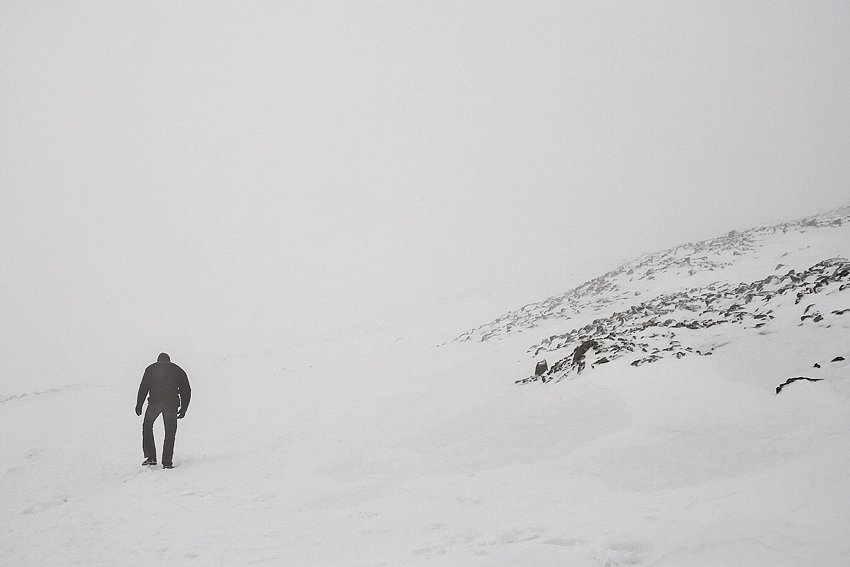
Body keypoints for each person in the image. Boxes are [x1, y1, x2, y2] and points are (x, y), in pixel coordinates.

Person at [136, 352, 191, 469]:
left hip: (155, 402)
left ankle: (151, 457)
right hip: (171, 404)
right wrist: (184, 408)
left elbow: (143, 387)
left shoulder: (151, 369)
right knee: (170, 432)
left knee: (147, 426)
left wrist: (139, 404)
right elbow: (186, 389)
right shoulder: (177, 370)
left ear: (158, 360)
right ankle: (167, 461)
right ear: (169, 360)